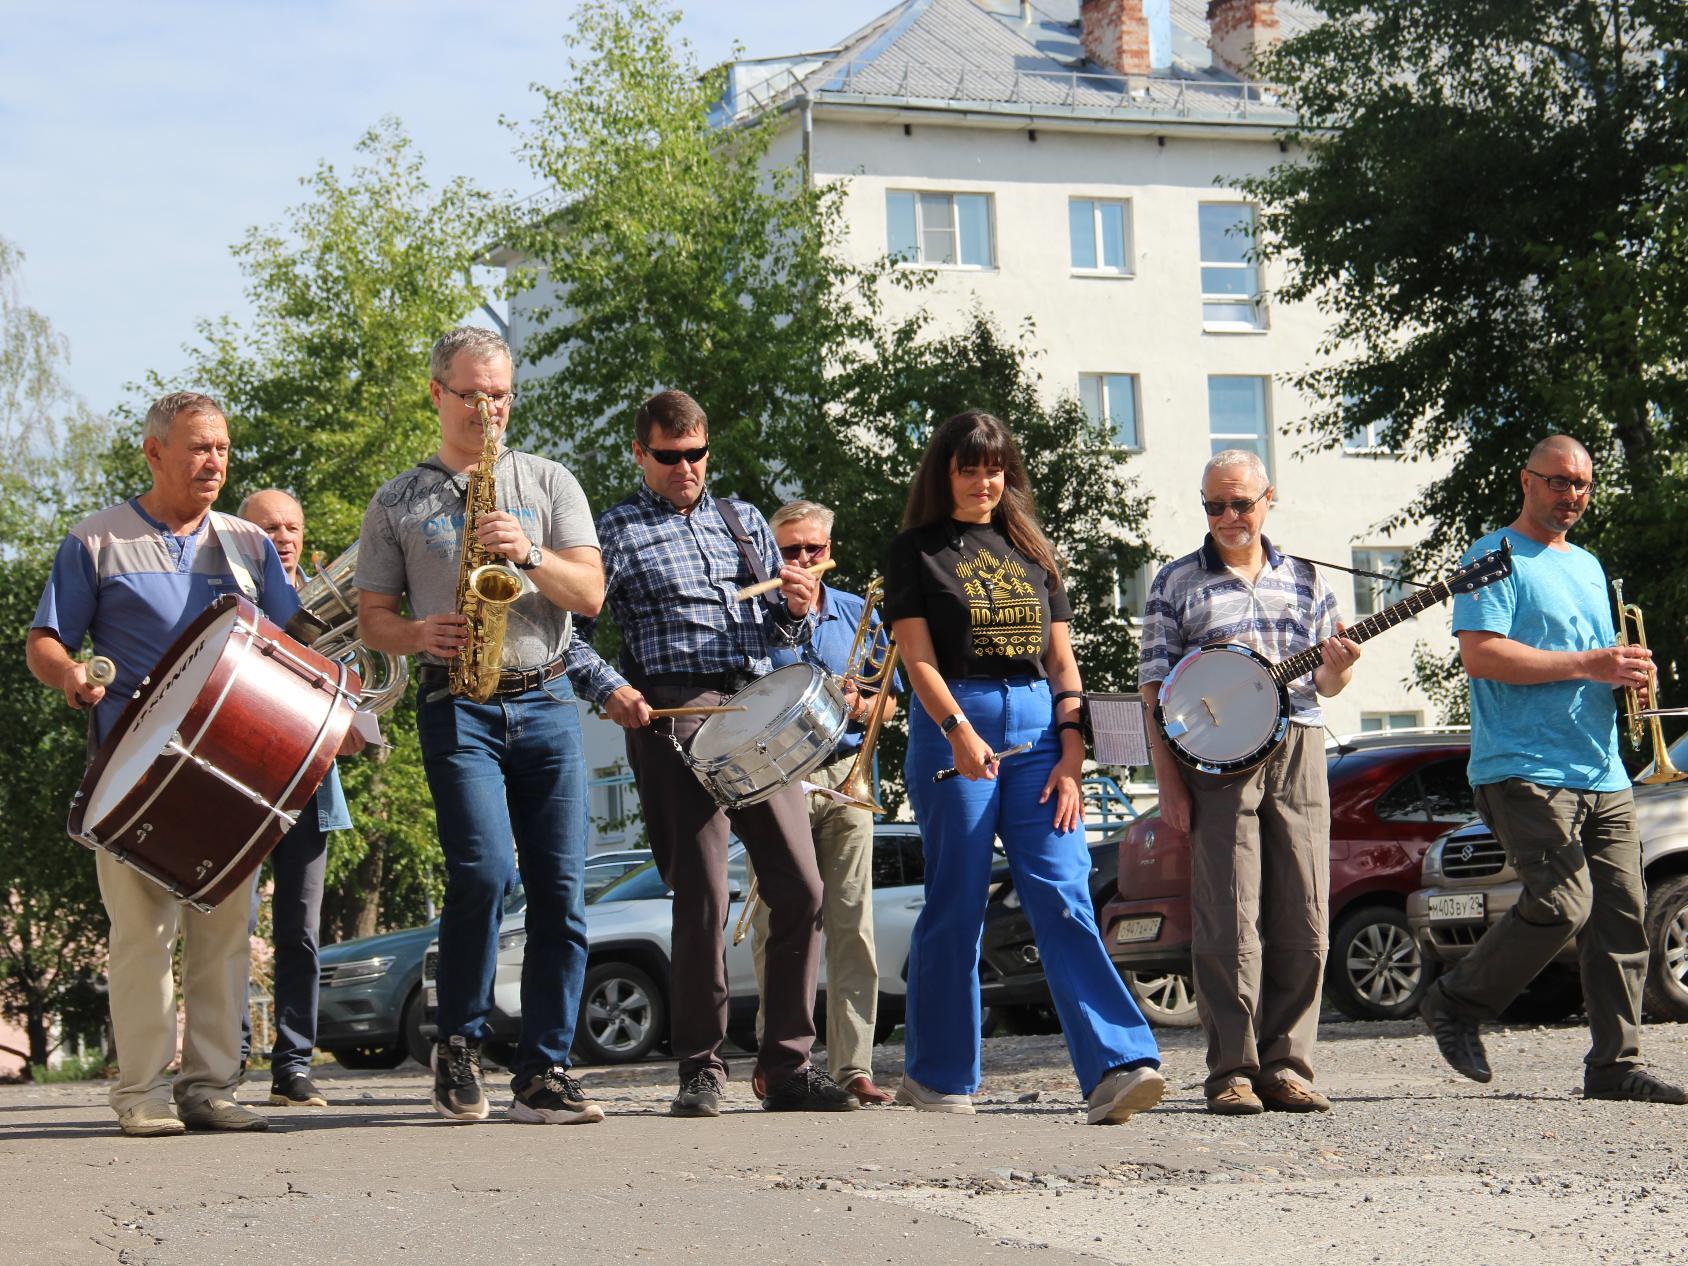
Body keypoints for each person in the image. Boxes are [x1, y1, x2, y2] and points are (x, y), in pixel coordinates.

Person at [565, 389, 857, 1117]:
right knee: (701, 893)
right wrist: (609, 690)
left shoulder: (743, 519)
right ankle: (701, 1065)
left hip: (753, 704)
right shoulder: (616, 531)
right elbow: (566, 636)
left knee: (800, 887)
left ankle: (786, 1066)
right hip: (671, 709)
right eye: (670, 457)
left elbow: (780, 639)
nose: (687, 468)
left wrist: (794, 610)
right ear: (640, 453)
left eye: (697, 454)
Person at [26, 392, 302, 1136]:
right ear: (154, 452)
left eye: (221, 447)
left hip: (237, 770)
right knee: (142, 940)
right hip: (134, 775)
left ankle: (211, 1089)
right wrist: (72, 677)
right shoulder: (96, 540)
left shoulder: (248, 544)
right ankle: (142, 1095)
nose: (213, 460)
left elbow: (296, 643)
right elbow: (44, 641)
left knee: (223, 935)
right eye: (197, 447)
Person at [356, 326, 607, 1125]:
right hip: (455, 700)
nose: (487, 410)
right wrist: (413, 634)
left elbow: (591, 596)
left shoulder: (549, 480)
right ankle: (458, 1045)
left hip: (548, 698)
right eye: (471, 395)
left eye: (499, 395)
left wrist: (529, 555)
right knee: (484, 873)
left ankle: (545, 1069)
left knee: (562, 892)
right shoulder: (399, 498)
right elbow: (371, 618)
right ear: (437, 394)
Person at [886, 411, 1164, 1124]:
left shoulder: (1033, 551)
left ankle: (1117, 1066)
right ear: (944, 473)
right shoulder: (914, 551)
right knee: (957, 900)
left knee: (1063, 892)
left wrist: (1074, 753)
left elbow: (1064, 662)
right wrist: (955, 729)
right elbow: (917, 658)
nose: (984, 481)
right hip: (956, 729)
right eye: (969, 468)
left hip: (1041, 728)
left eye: (995, 467)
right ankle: (940, 1076)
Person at [1419, 435, 1686, 1104]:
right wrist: (1592, 664)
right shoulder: (1493, 555)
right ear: (1527, 480)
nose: (1571, 496)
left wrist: (1626, 677)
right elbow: (1481, 656)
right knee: (1565, 903)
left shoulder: (1590, 565)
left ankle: (1614, 1066)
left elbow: (1592, 657)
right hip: (1522, 768)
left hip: (1601, 769)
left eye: (1582, 485)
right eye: (1558, 482)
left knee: (1624, 918)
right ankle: (1455, 1000)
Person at [1139, 448, 1359, 1116]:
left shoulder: (1308, 579)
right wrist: (1168, 785)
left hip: (1300, 741)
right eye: (1213, 505)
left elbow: (1328, 682)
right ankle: (1232, 1069)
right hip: (1216, 758)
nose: (1227, 516)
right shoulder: (1174, 582)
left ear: (1270, 500)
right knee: (1228, 911)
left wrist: (1342, 666)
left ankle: (1289, 1065)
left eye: (1240, 502)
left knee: (1305, 906)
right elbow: (1153, 688)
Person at [741, 500, 897, 1107]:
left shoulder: (858, 613)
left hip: (847, 772)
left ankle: (854, 1064)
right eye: (789, 550)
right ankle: (778, 1056)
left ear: (829, 552)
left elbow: (888, 701)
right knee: (781, 916)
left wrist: (859, 705)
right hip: (777, 776)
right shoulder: (754, 614)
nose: (802, 560)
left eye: (813, 549)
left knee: (852, 921)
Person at [236, 489, 355, 1109]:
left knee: (301, 933)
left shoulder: (331, 602)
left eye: (293, 527)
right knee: (232, 926)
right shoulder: (225, 595)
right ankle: (226, 1059)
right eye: (269, 527)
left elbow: (359, 696)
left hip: (309, 783)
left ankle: (293, 1065)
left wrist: (362, 720)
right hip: (235, 780)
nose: (284, 537)